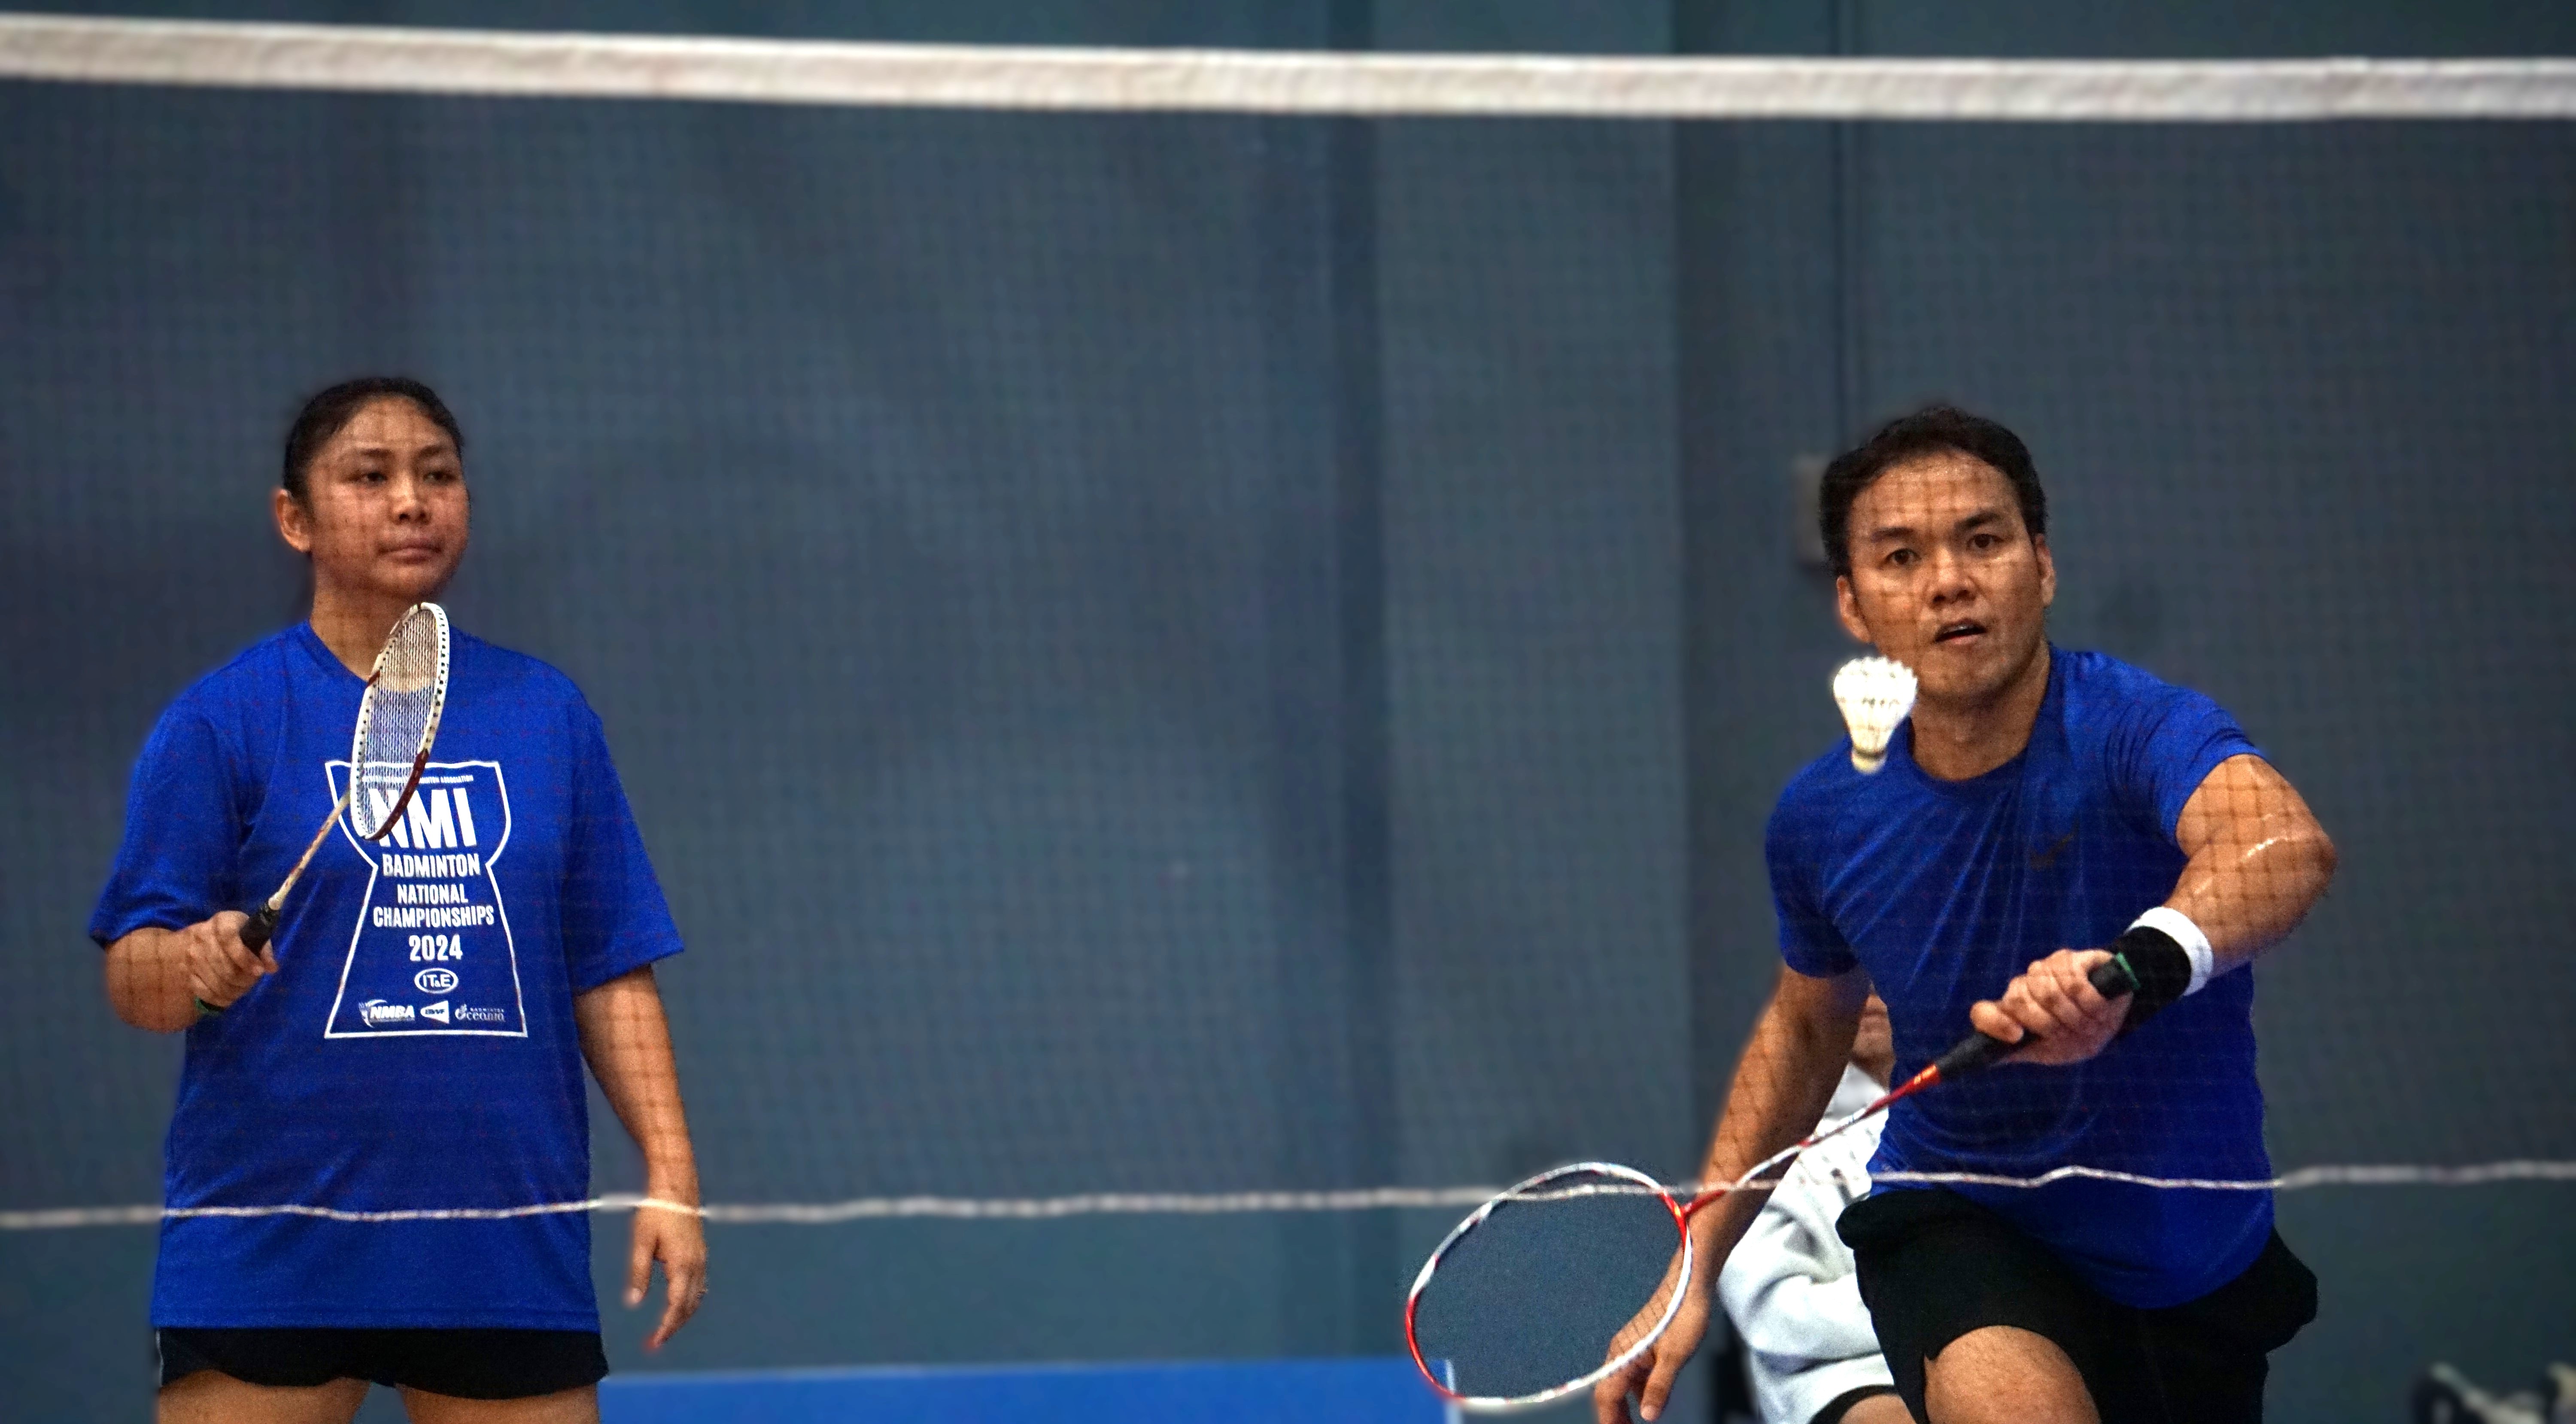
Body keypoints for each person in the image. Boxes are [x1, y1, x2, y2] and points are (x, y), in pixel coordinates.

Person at [1598, 405, 2333, 1424]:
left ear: (2042, 562)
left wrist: (2132, 968)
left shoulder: (2139, 727)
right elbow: (1807, 1024)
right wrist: (1699, 1248)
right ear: (1854, 606)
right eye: (1900, 556)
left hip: (2187, 1251)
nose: (1949, 578)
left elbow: (2281, 844)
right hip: (1959, 1214)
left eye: (1982, 539)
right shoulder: (1824, 814)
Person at [92, 377, 707, 1424]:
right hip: (271, 1236)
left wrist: (672, 1171)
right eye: (368, 477)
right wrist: (191, 964)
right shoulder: (222, 719)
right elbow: (135, 981)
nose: (411, 499)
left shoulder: (546, 714)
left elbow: (607, 960)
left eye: (437, 473)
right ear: (296, 518)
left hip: (501, 1233)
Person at [1716, 996, 1910, 1424]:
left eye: (1881, 970)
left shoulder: (1969, 1112)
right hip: (1835, 1374)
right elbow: (1772, 1316)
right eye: (1853, 975)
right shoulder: (1773, 1133)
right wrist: (1916, 1297)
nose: (1870, 994)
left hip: (1967, 1334)